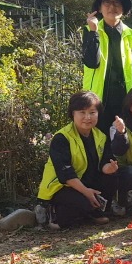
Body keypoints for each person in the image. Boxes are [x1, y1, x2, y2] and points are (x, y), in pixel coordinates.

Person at [37, 91, 119, 229]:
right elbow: (65, 174)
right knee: (69, 218)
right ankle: (51, 210)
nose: (87, 117)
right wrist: (86, 192)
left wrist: (109, 168)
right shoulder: (61, 138)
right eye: (82, 112)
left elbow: (105, 161)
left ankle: (93, 211)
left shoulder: (100, 136)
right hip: (61, 187)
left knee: (113, 176)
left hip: (85, 182)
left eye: (92, 112)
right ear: (73, 114)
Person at [83, 0, 132, 135]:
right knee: (98, 139)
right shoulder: (90, 30)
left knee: (123, 138)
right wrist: (93, 32)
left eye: (117, 2)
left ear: (123, 9)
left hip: (124, 98)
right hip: (98, 98)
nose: (112, 6)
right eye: (107, 1)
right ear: (99, 7)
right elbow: (92, 61)